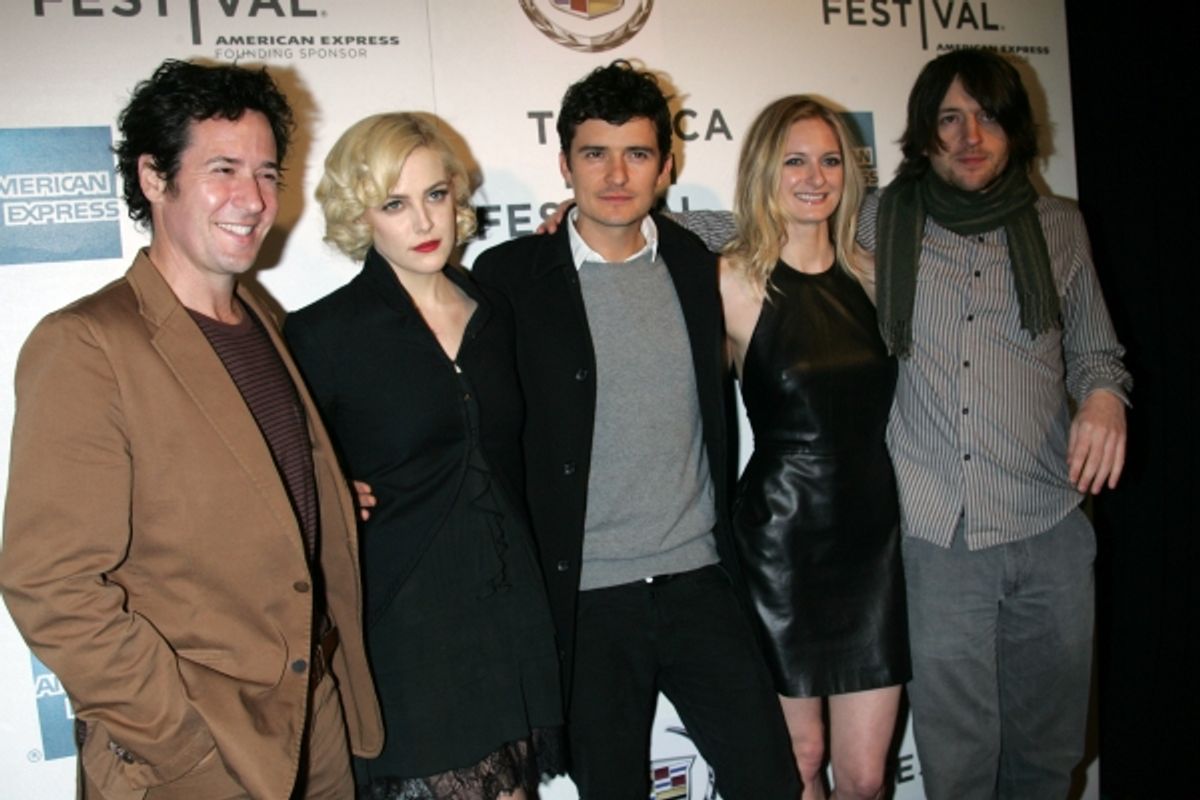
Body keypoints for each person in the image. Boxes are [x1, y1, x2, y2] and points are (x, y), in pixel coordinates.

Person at [0, 59, 382, 799]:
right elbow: (50, 584)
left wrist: (324, 497)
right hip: (199, 754)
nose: (254, 199)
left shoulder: (263, 318)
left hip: (317, 725)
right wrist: (184, 745)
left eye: (267, 173)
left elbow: (237, 485)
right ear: (154, 177)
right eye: (223, 170)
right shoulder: (87, 344)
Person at [471, 60, 799, 799]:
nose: (616, 175)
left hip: (700, 580)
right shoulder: (510, 276)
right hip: (588, 599)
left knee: (771, 782)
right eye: (595, 153)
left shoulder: (697, 261)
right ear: (564, 165)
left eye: (637, 154)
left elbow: (812, 214)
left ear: (666, 166)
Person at [855, 49, 1130, 799]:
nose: (969, 136)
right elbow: (762, 226)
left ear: (1015, 128)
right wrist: (616, 223)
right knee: (959, 768)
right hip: (938, 538)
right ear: (924, 132)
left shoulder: (1060, 225)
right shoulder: (879, 220)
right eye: (949, 118)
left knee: (1047, 757)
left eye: (986, 117)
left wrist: (1104, 398)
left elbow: (1097, 354)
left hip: (1050, 529)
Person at [282, 112, 564, 800]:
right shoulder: (323, 335)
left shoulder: (495, 311)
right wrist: (326, 491)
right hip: (407, 626)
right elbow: (279, 484)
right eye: (394, 204)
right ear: (361, 215)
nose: (423, 221)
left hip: (509, 608)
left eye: (435, 194)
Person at [719, 96, 909, 800]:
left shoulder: (874, 275)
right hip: (779, 546)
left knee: (865, 777)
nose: (815, 177)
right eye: (795, 161)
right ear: (765, 171)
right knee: (799, 761)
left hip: (871, 543)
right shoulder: (730, 282)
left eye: (830, 160)